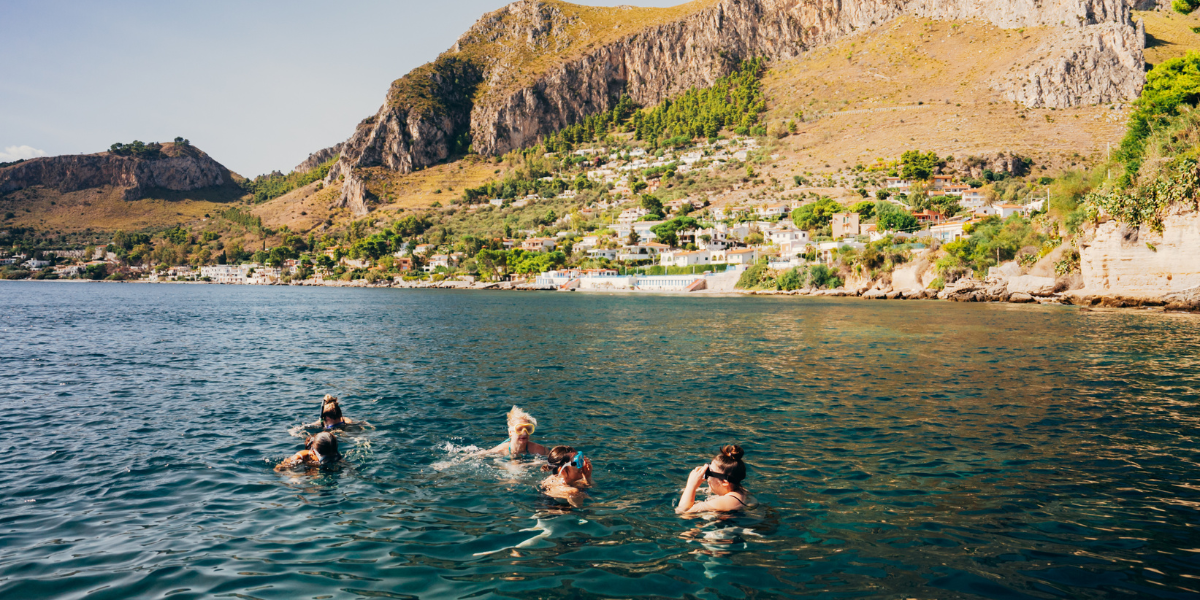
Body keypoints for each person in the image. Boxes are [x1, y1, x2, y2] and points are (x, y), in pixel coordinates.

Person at [677, 444, 750, 513]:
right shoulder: (743, 492)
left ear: (725, 482)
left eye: (709, 472)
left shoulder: (721, 503)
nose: (706, 476)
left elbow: (683, 512)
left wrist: (691, 486)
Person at [479, 406, 548, 458]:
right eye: (519, 429)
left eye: (528, 429)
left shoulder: (539, 450)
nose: (524, 433)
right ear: (510, 432)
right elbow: (479, 455)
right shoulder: (500, 450)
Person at [276, 431, 340, 471]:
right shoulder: (303, 456)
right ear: (314, 452)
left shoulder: (337, 457)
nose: (329, 461)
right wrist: (294, 476)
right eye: (325, 459)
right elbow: (278, 469)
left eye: (332, 457)